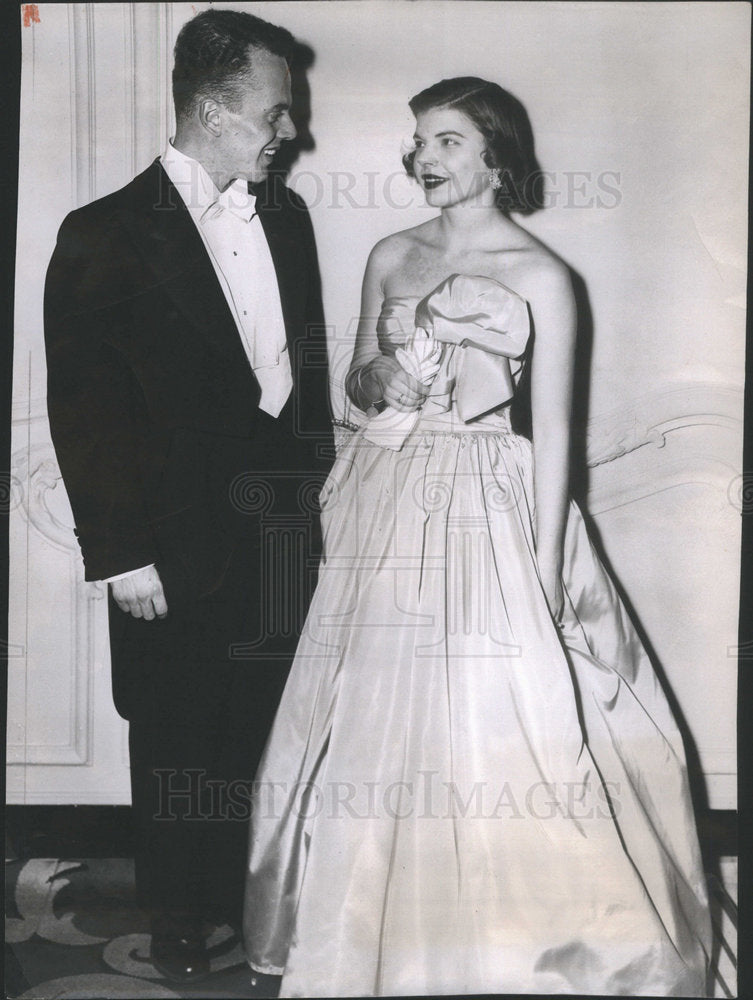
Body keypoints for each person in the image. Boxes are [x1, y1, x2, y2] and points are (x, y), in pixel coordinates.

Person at [242, 77, 712, 996]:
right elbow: (353, 388)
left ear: (495, 154)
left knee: (508, 721)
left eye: (449, 140)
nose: (425, 157)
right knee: (369, 719)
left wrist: (539, 572)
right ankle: (369, 938)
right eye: (419, 140)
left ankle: (526, 948)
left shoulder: (542, 275)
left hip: (489, 506)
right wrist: (384, 380)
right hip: (385, 498)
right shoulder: (388, 253)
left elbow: (557, 440)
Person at [44, 8, 332, 985]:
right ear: (216, 109)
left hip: (281, 539)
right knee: (177, 739)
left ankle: (258, 910)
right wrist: (120, 554)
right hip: (166, 547)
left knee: (264, 735)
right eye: (276, 112)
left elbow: (306, 378)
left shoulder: (286, 221)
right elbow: (83, 409)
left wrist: (318, 502)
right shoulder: (102, 235)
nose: (291, 132)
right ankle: (177, 922)